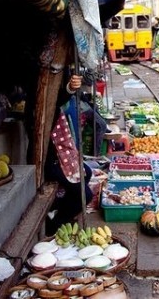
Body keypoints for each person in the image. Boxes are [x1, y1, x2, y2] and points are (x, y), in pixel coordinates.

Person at [44, 74, 94, 235]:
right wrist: (70, 88)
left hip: (60, 155)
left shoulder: (54, 105)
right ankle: (55, 224)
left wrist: (70, 88)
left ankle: (60, 208)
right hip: (50, 160)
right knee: (86, 194)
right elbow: (56, 99)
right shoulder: (43, 103)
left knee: (88, 172)